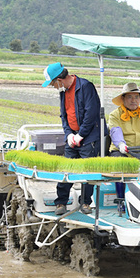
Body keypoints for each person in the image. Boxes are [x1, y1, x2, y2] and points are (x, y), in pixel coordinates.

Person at [42, 62, 101, 215]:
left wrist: (81, 135)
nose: (53, 87)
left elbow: (91, 114)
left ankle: (86, 202)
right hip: (73, 136)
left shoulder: (85, 87)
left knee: (88, 171)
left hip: (88, 137)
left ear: (59, 80)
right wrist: (69, 135)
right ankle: (61, 202)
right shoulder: (63, 91)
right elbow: (64, 116)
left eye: (53, 84)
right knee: (66, 170)